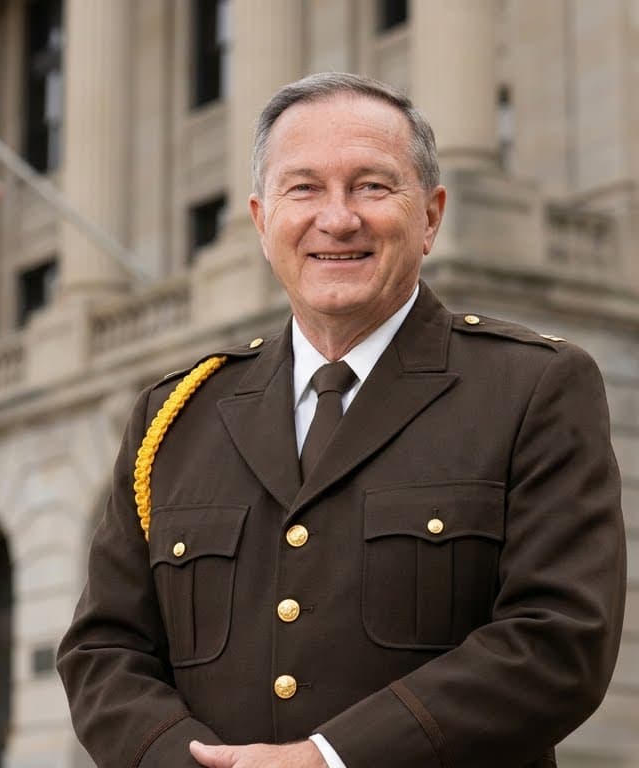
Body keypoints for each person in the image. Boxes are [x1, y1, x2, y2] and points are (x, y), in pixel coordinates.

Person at [57, 73, 626, 768]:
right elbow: (104, 649)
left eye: (372, 187)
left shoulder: (532, 388)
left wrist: (331, 759)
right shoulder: (176, 416)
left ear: (431, 216)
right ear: (263, 222)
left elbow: (557, 642)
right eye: (304, 189)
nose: (338, 218)